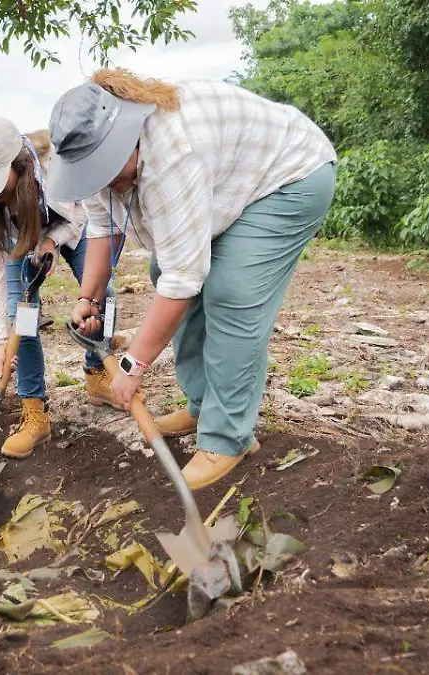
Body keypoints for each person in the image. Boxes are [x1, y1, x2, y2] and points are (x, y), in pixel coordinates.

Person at [52, 69, 337, 489]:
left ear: (125, 138)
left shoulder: (171, 153)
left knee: (231, 291)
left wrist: (131, 365)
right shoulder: (99, 165)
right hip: (229, 182)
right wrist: (88, 299)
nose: (106, 181)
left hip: (288, 178)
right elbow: (103, 228)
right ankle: (203, 405)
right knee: (160, 270)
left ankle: (228, 436)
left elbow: (184, 278)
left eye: (108, 169)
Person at [0, 117, 119, 459]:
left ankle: (97, 373)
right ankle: (35, 411)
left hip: (69, 229)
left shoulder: (55, 171)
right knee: (25, 319)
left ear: (21, 167)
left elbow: (78, 217)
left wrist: (49, 240)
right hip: (19, 245)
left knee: (102, 295)